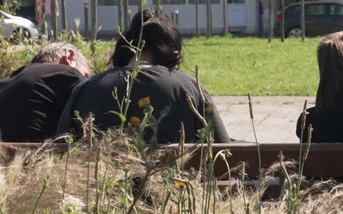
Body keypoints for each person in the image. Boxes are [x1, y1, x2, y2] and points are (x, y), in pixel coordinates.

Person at [57, 9, 230, 143]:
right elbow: (223, 149)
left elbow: (61, 146)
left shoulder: (87, 88)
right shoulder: (190, 88)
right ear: (174, 53)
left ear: (125, 46)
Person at [0, 42, 91, 142]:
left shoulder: (8, 81)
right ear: (69, 57)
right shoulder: (68, 74)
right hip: (42, 153)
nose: (84, 78)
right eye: (86, 75)